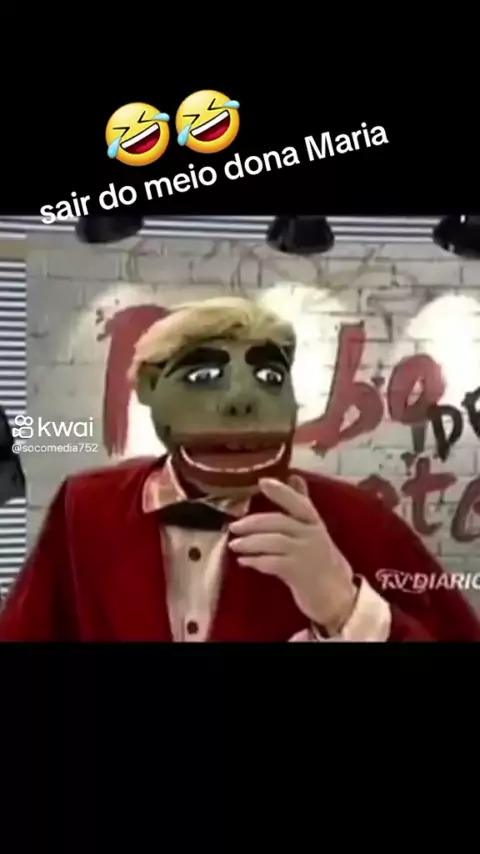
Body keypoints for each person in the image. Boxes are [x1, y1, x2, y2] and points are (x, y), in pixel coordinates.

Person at [1, 297, 479, 642]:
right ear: (148, 387)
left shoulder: (358, 520)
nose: (242, 401)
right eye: (203, 376)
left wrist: (345, 607)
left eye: (270, 376)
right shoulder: (86, 506)